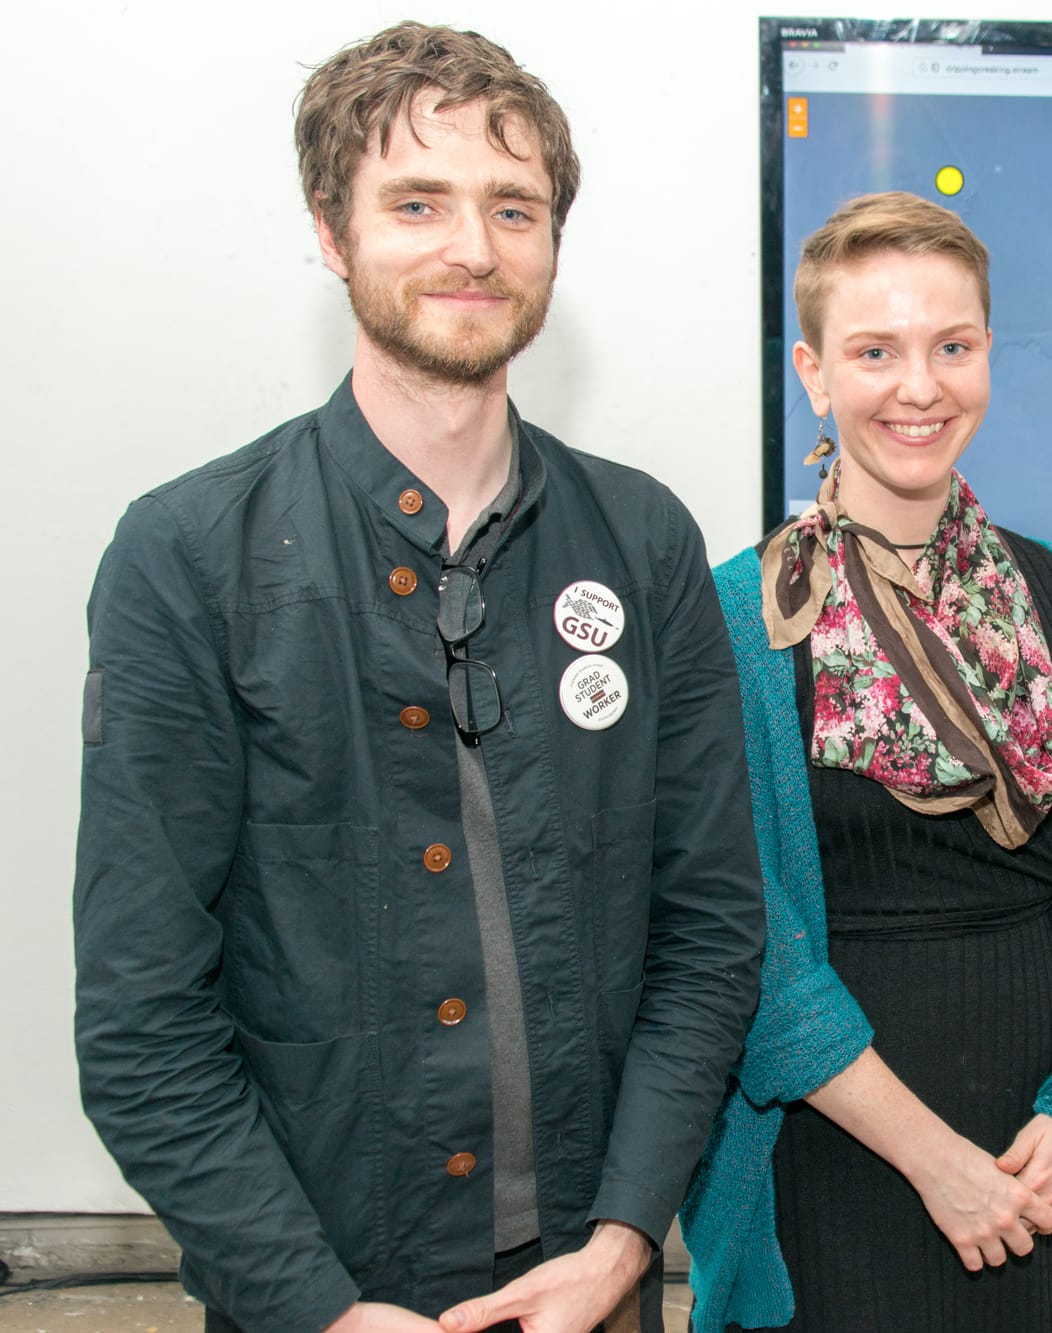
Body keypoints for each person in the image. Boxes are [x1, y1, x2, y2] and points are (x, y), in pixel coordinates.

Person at [72, 23, 765, 1333]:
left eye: (513, 207)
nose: (473, 248)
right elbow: (142, 1019)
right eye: (416, 203)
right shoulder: (189, 557)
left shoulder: (644, 542)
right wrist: (317, 1309)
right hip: (321, 1293)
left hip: (588, 1280)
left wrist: (625, 1238)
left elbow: (710, 932)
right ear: (331, 231)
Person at [681, 192, 1052, 1333]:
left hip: (1036, 1144)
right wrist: (935, 1161)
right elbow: (750, 936)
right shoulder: (743, 614)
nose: (920, 387)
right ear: (812, 373)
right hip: (836, 1144)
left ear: (988, 353)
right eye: (875, 352)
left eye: (952, 346)